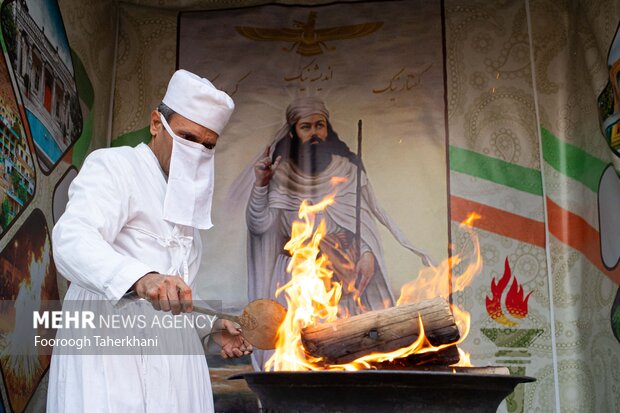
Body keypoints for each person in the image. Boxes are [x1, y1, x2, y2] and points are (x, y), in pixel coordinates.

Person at [47, 69, 251, 412]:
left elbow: (178, 292)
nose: (197, 151)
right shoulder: (115, 167)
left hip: (175, 367)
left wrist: (212, 326)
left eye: (208, 145)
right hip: (110, 354)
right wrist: (141, 279)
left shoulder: (185, 202)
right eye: (187, 137)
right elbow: (72, 239)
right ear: (157, 123)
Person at [245, 96, 433, 368]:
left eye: (319, 125)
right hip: (296, 279)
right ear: (293, 133)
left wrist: (367, 254)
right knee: (300, 359)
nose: (314, 133)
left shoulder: (348, 171)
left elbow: (364, 225)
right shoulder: (280, 175)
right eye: (306, 127)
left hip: (345, 283)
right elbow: (260, 225)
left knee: (345, 357)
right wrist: (261, 185)